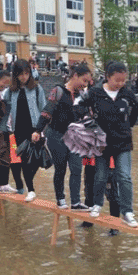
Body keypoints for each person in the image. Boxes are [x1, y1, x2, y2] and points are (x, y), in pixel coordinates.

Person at [76, 61, 138, 228]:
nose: (120, 84)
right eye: (117, 80)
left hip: (123, 142)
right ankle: (97, 204)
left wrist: (129, 125)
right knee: (100, 175)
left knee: (124, 177)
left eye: (123, 80)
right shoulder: (95, 92)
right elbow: (79, 105)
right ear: (108, 77)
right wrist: (89, 124)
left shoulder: (126, 93)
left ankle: (127, 212)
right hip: (102, 143)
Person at [32, 63, 92, 211]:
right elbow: (47, 111)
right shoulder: (58, 91)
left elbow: (85, 115)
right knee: (60, 169)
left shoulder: (81, 95)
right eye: (84, 81)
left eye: (87, 83)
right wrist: (38, 130)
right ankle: (60, 199)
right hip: (56, 135)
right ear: (75, 76)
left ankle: (76, 202)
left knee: (77, 168)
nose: (85, 85)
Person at [5, 59, 47, 202]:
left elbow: (44, 109)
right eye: (21, 74)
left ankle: (28, 181)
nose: (24, 77)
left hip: (34, 128)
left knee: (36, 160)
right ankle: (31, 190)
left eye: (26, 73)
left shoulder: (37, 89)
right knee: (24, 160)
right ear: (15, 75)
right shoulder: (11, 91)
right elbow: (4, 107)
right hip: (19, 129)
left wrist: (42, 129)